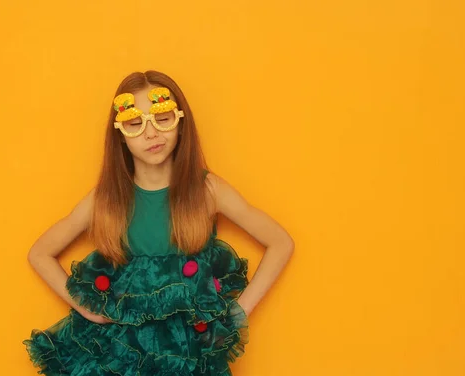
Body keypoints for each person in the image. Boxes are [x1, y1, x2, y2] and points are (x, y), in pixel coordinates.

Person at [23, 70, 294, 375]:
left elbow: (281, 242)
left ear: (180, 122)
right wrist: (88, 309)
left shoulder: (207, 191)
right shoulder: (107, 199)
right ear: (120, 135)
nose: (151, 133)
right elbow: (40, 252)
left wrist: (239, 311)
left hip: (189, 351)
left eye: (162, 118)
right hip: (121, 354)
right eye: (135, 124)